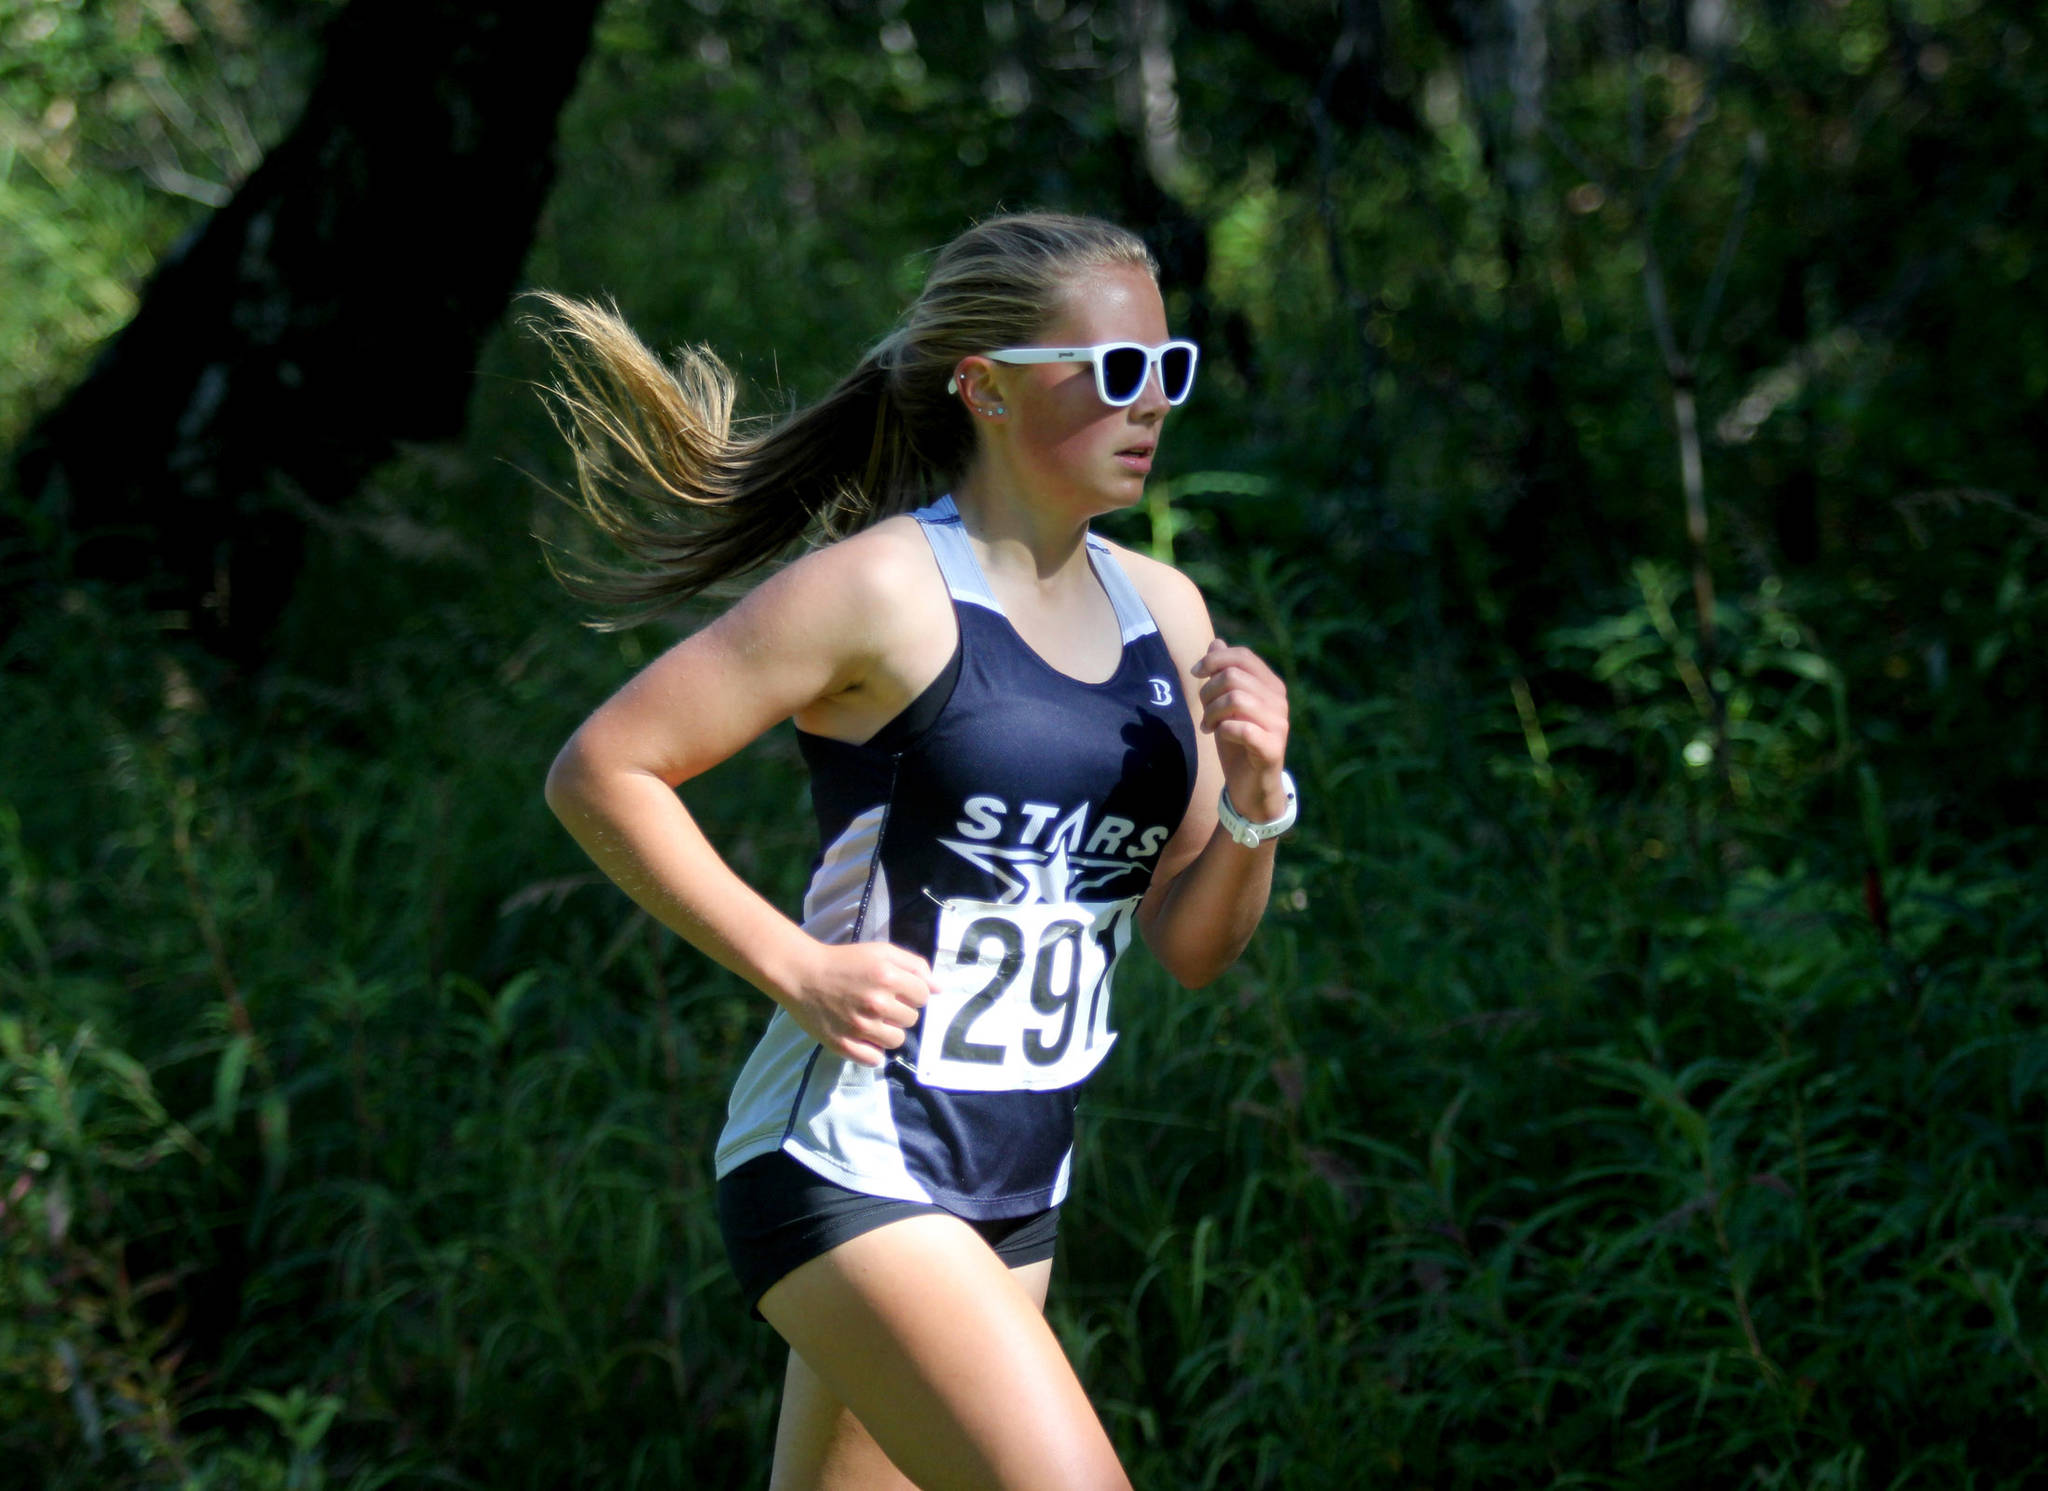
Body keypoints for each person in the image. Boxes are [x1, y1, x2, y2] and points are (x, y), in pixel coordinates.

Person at [535, 212, 1295, 1491]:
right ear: (985, 388)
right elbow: (603, 771)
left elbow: (1194, 944)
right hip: (847, 1157)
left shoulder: (1165, 612)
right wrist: (797, 968)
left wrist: (1258, 799)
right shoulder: (884, 590)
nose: (1150, 404)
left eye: (1169, 368)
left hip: (1013, 1180)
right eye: (1113, 372)